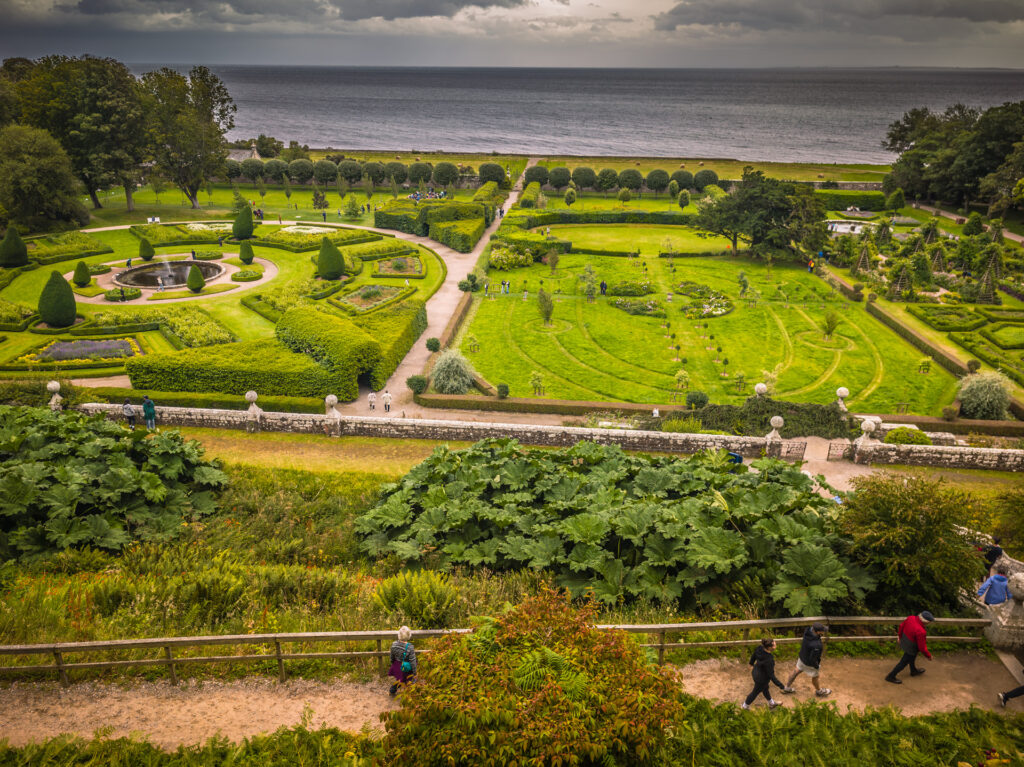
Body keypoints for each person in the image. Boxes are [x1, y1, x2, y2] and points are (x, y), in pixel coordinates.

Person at [783, 623, 831, 697]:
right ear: (817, 632)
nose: (823, 632)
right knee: (815, 677)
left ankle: (786, 687)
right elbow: (813, 659)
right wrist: (816, 666)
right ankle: (819, 691)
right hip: (810, 663)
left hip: (802, 657)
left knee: (796, 671)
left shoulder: (807, 631)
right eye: (822, 631)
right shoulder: (817, 645)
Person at [885, 611, 934, 684]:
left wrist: (899, 636)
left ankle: (913, 671)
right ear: (926, 622)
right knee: (903, 662)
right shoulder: (921, 631)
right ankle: (890, 676)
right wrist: (928, 656)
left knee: (912, 657)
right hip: (911, 647)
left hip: (904, 640)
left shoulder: (911, 618)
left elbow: (901, 626)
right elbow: (922, 647)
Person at [742, 638, 786, 710]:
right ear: (769, 647)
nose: (776, 645)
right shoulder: (769, 660)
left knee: (765, 688)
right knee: (755, 692)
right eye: (774, 645)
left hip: (755, 672)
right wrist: (781, 686)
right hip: (761, 679)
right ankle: (745, 706)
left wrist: (751, 663)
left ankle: (771, 703)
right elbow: (771, 675)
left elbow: (754, 655)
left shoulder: (760, 648)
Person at [388, 626, 417, 696]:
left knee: (400, 680)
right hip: (405, 668)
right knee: (405, 679)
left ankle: (392, 691)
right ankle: (409, 692)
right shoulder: (410, 647)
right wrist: (415, 672)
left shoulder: (394, 644)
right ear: (408, 635)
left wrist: (393, 664)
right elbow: (412, 661)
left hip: (397, 665)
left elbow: (392, 657)